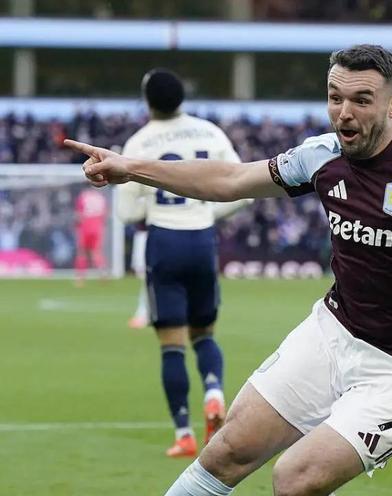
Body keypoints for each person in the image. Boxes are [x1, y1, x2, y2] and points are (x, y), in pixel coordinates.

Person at [66, 44, 392, 496]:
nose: (344, 112)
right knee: (228, 449)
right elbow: (230, 180)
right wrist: (131, 168)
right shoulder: (320, 155)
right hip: (333, 333)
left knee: (295, 479)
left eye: (361, 100)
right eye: (335, 97)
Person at [115, 68, 252, 458]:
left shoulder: (139, 142)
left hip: (164, 241)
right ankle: (214, 391)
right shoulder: (210, 133)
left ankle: (183, 433)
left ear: (147, 101)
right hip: (202, 239)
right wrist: (206, 212)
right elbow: (242, 189)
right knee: (205, 334)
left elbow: (127, 213)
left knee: (171, 346)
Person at [73, 186, 108, 286]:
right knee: (96, 252)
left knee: (82, 252)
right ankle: (103, 273)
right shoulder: (100, 197)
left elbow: (78, 215)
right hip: (97, 226)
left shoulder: (83, 196)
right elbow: (104, 214)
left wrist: (76, 226)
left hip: (86, 225)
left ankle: (80, 278)